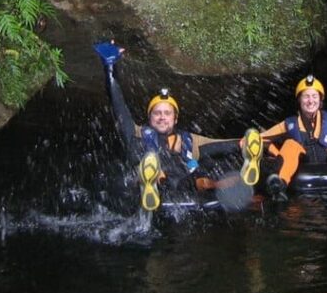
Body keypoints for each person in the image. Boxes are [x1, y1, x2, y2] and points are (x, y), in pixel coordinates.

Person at [94, 40, 262, 211]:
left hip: (182, 188)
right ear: (149, 117)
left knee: (206, 170)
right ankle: (148, 183)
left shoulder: (188, 140)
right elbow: (118, 104)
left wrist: (240, 143)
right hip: (144, 188)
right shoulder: (135, 133)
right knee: (142, 169)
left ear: (175, 119)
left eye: (167, 113)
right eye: (157, 113)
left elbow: (217, 145)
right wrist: (110, 67)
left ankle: (237, 182)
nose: (162, 117)